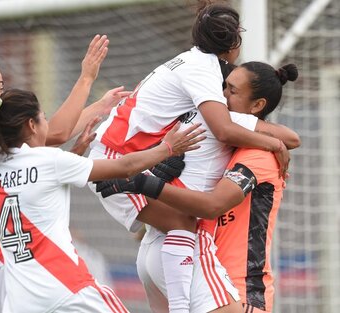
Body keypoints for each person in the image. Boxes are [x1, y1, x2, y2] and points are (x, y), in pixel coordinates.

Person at [87, 2, 297, 312]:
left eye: (232, 90)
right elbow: (213, 203)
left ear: (257, 104)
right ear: (233, 43)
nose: (223, 94)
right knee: (185, 222)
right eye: (224, 87)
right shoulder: (238, 130)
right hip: (210, 267)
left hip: (161, 249)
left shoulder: (200, 95)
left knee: (181, 222)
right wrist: (146, 182)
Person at [0, 80, 204, 312]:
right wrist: (168, 147)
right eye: (44, 117)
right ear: (31, 125)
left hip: (20, 302)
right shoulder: (49, 161)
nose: (47, 123)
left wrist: (75, 153)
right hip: (68, 288)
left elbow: (32, 190)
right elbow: (124, 167)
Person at [0, 34, 126, 313]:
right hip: (1, 256)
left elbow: (44, 135)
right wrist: (86, 78)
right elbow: (52, 132)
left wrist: (100, 106)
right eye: (0, 86)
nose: (3, 94)